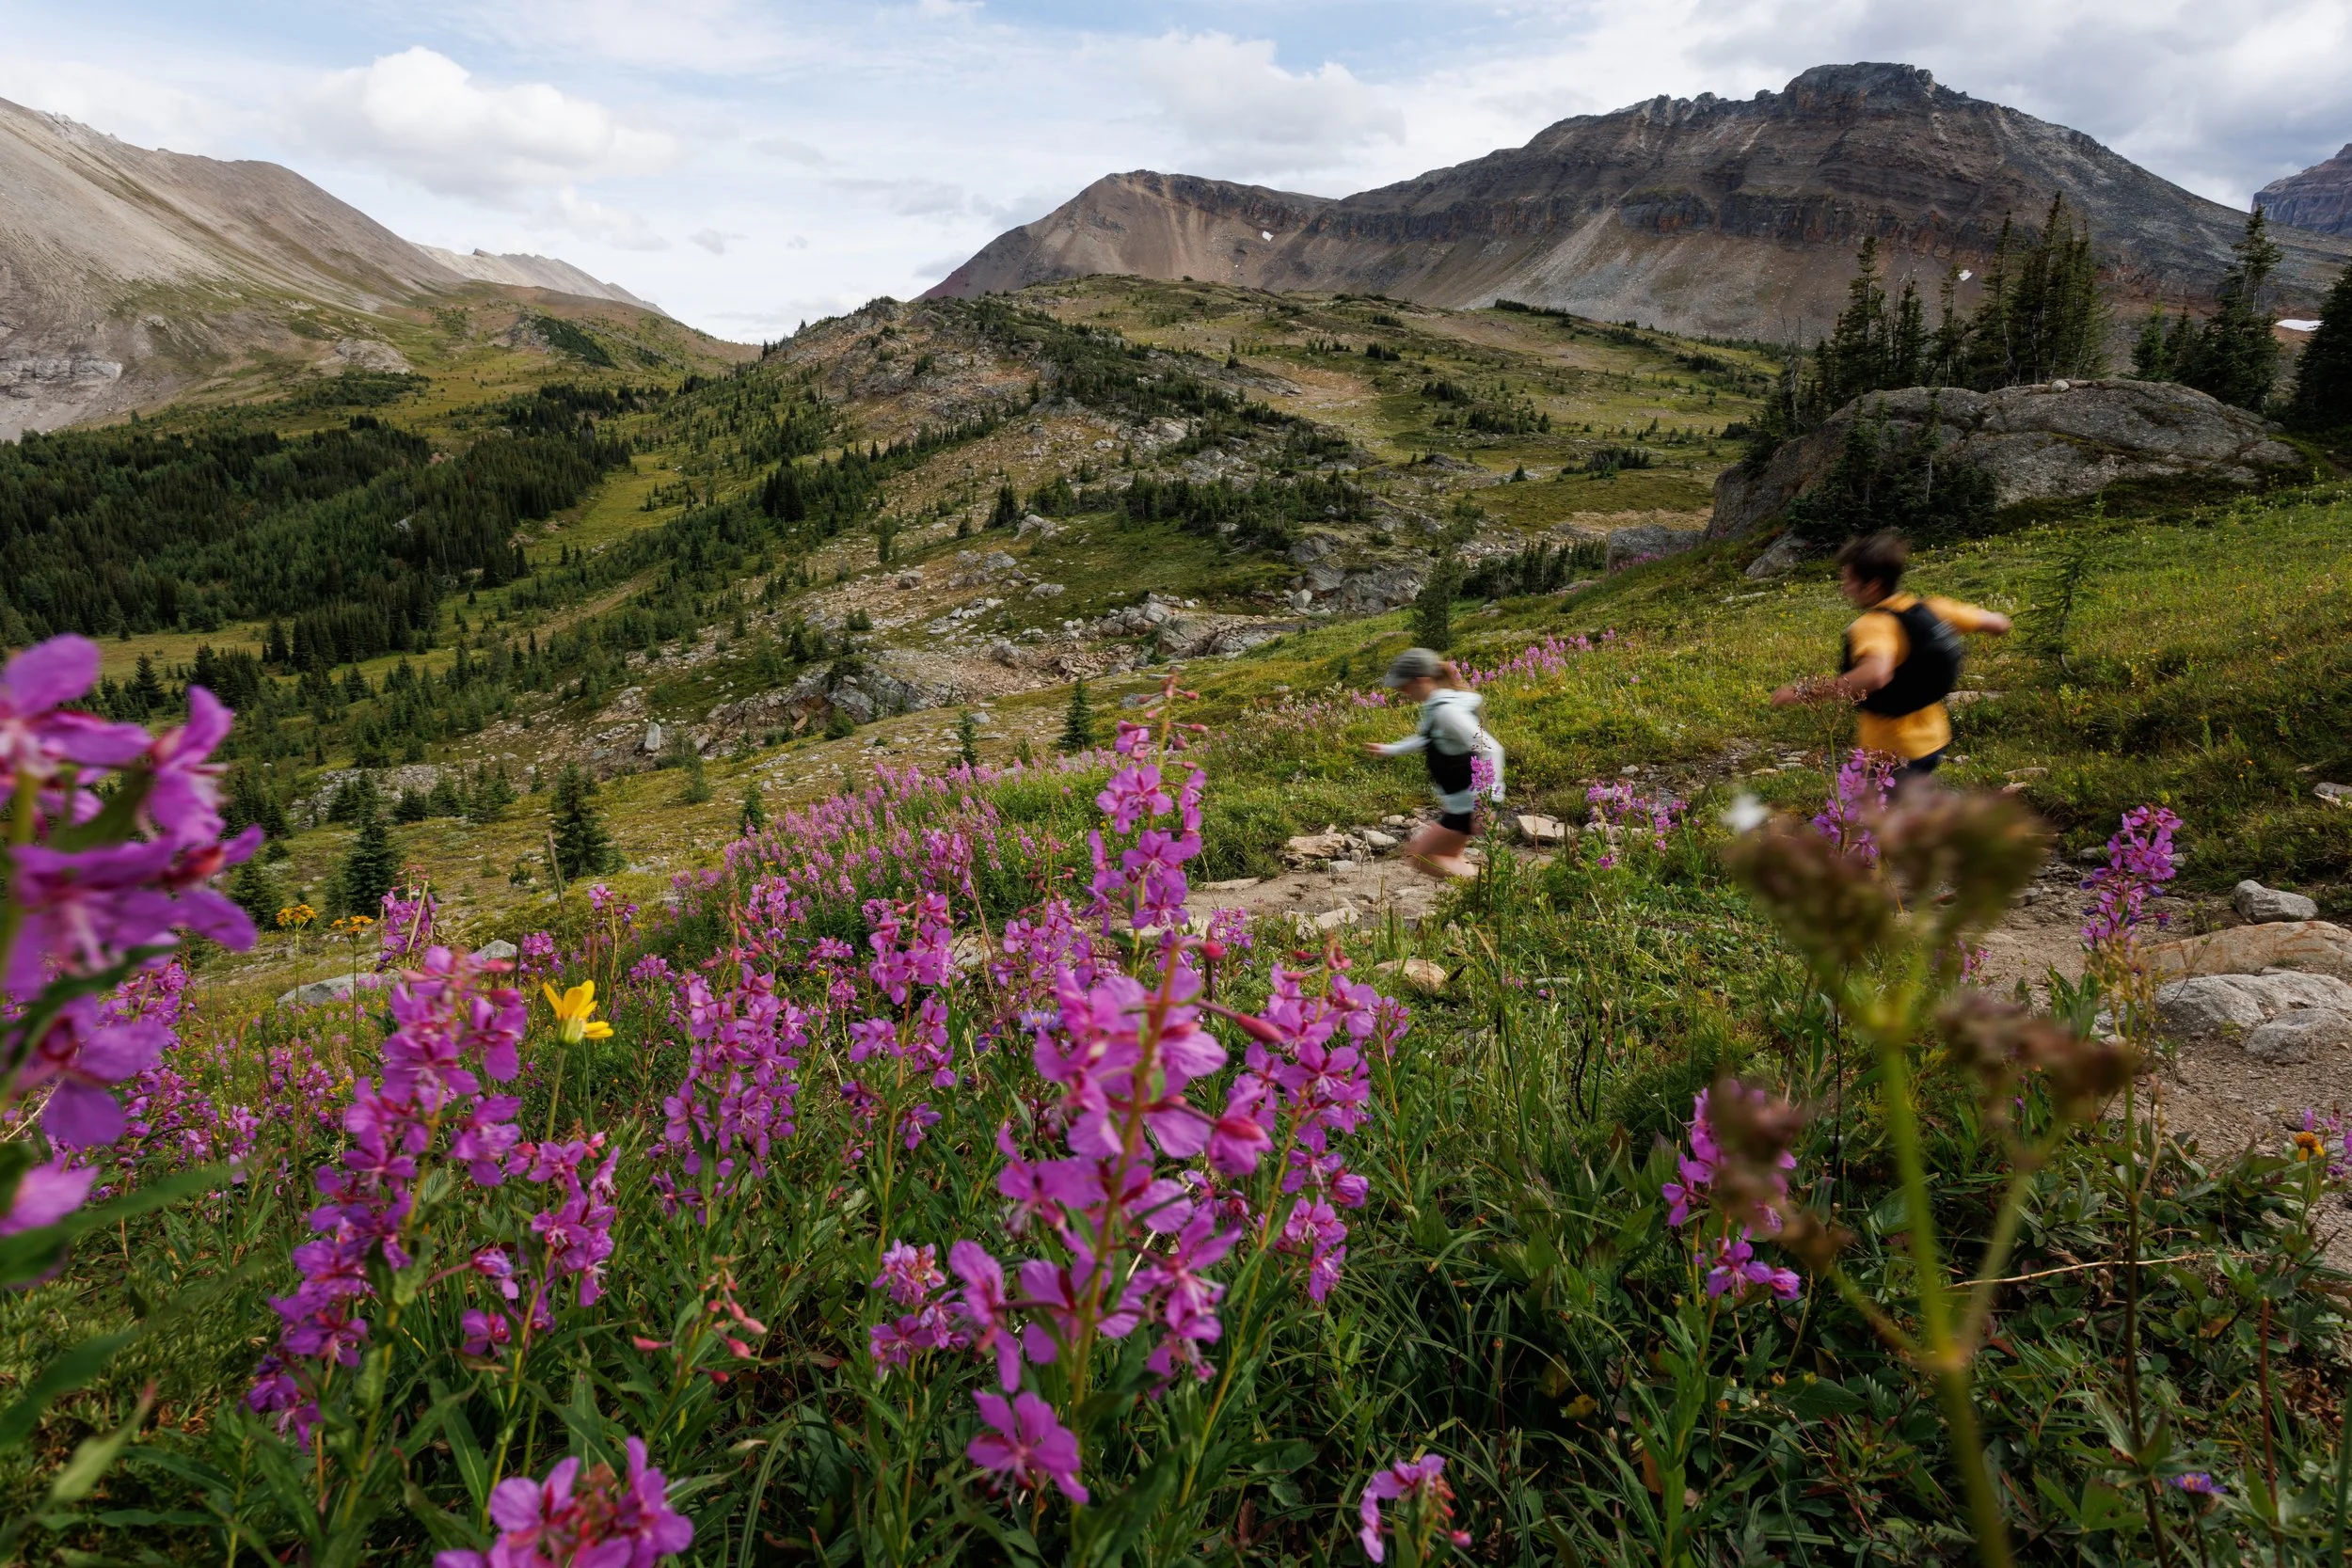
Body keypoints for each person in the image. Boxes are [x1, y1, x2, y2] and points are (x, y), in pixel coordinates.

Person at [1770, 531, 2011, 785]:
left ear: (1872, 585)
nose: (1844, 588)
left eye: (1849, 580)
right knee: (1908, 806)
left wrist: (1805, 692)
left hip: (1890, 751)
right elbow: (1998, 623)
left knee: (1873, 817)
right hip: (1934, 739)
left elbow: (1875, 674)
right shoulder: (1930, 608)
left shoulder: (1874, 625)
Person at [1364, 647, 1505, 879]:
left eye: (1404, 686)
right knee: (1449, 858)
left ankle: (1491, 886)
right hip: (1459, 802)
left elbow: (1491, 749)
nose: (1402, 692)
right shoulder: (1438, 706)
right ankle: (1481, 898)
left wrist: (1485, 803)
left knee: (1419, 857)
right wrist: (1390, 749)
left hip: (1470, 804)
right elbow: (1428, 738)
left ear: (1421, 680)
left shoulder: (1446, 711)